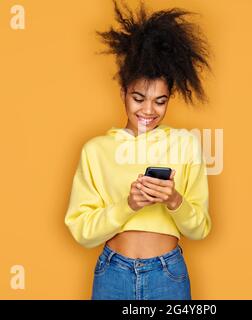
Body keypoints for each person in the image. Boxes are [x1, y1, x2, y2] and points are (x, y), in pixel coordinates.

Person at [64, 0, 213, 300]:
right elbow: (82, 232)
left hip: (167, 275)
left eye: (160, 100)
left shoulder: (186, 145)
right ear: (123, 92)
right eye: (138, 97)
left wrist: (173, 200)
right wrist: (128, 205)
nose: (149, 110)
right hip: (112, 274)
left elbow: (201, 229)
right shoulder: (96, 150)